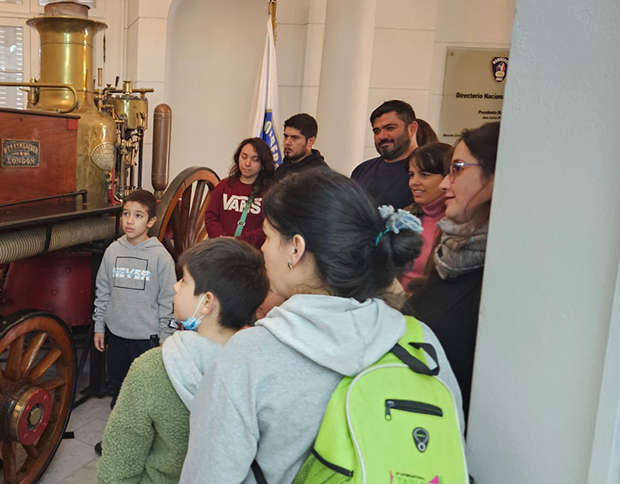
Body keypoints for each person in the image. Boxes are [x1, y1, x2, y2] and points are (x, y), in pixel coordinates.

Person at [179, 169, 464, 484]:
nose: (262, 249)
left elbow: (209, 475)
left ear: (295, 248)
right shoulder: (420, 343)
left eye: (269, 237)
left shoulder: (249, 357)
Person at [96, 238, 269, 484]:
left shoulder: (153, 368)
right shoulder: (260, 369)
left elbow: (118, 469)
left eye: (184, 281)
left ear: (207, 302)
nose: (176, 287)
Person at [407, 121, 500, 420]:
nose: (446, 184)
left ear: (497, 174)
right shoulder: (451, 250)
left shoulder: (501, 273)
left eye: (457, 168)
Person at [92, 189, 176, 415]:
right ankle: (119, 438)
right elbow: (103, 291)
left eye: (138, 215)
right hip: (117, 336)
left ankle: (141, 441)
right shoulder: (113, 251)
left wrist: (164, 339)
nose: (130, 220)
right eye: (126, 214)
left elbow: (169, 301)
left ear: (152, 221)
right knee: (118, 390)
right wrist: (99, 327)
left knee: (142, 394)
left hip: (146, 340)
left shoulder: (161, 258)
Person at [399, 142, 453, 291]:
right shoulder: (405, 216)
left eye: (424, 175)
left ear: (448, 177)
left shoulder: (458, 225)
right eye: (411, 175)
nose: (414, 182)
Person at [205, 137, 276, 248]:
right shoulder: (224, 185)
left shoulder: (270, 192)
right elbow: (211, 216)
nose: (247, 163)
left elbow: (269, 226)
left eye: (255, 159)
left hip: (252, 252)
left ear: (263, 163)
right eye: (244, 157)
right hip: (221, 248)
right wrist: (222, 239)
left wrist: (240, 240)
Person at [351, 100, 419, 208]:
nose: (382, 136)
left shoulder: (427, 170)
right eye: (376, 131)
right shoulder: (362, 170)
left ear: (412, 128)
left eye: (390, 128)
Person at [272, 113, 328, 183]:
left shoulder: (320, 175)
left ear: (311, 141)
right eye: (286, 136)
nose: (287, 142)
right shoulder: (282, 169)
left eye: (294, 138)